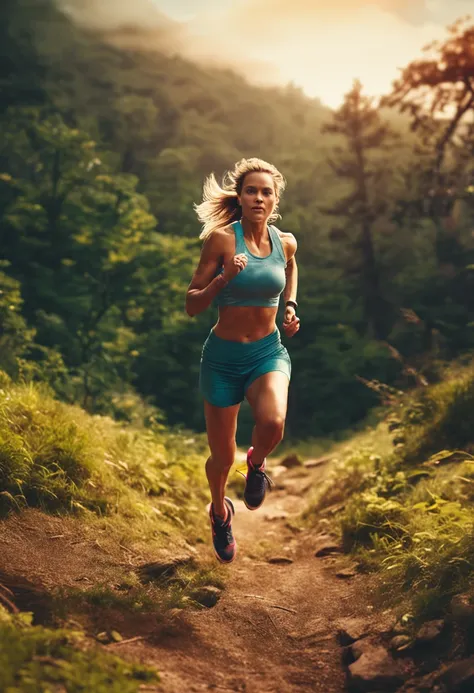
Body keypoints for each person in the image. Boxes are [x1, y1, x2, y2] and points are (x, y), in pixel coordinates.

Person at [185, 157, 300, 564]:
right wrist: (223, 279)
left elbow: (290, 266)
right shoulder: (220, 241)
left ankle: (257, 463)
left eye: (266, 191)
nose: (258, 197)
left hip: (267, 352)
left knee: (272, 422)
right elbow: (191, 305)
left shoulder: (285, 241)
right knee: (221, 457)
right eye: (251, 190)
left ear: (275, 199)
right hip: (222, 359)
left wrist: (289, 305)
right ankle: (219, 511)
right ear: (240, 196)